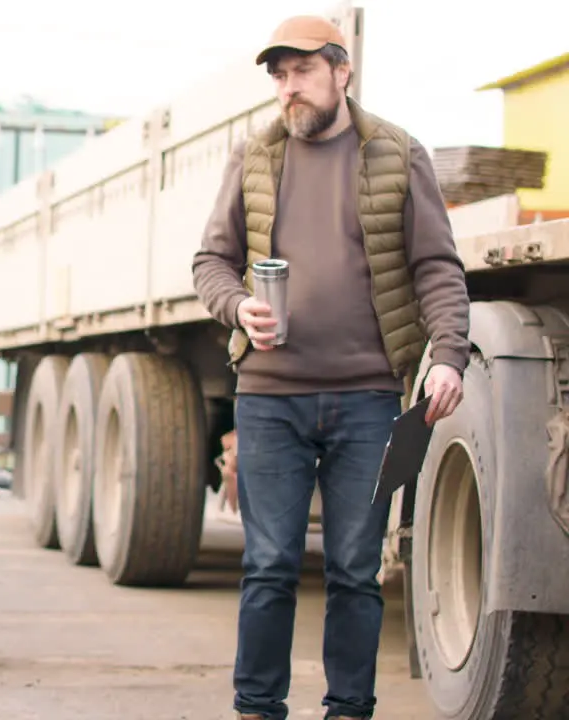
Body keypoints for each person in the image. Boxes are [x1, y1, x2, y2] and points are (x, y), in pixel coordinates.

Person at [191, 15, 471, 720]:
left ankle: (349, 709)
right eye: (280, 77)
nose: (290, 89)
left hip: (369, 398)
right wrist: (236, 308)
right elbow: (210, 263)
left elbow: (436, 265)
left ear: (342, 73)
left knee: (354, 571)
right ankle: (257, 707)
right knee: (268, 567)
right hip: (268, 398)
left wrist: (448, 355)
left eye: (303, 72)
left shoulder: (397, 153)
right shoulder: (253, 156)